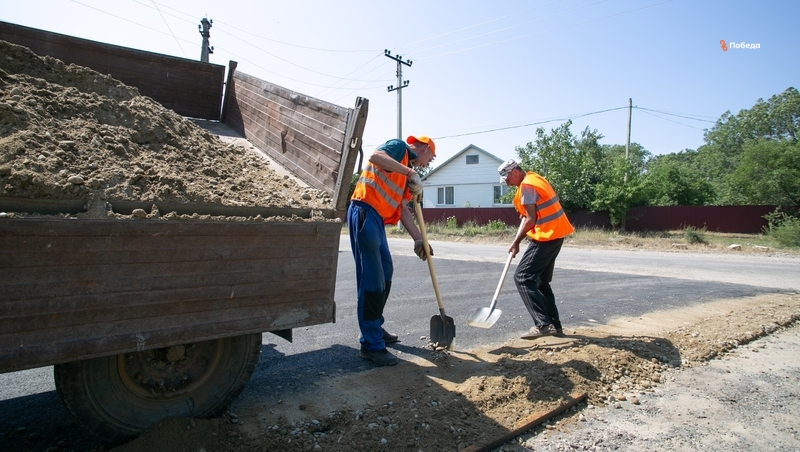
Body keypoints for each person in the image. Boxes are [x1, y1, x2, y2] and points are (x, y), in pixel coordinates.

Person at [348, 135, 436, 365]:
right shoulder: (399, 148)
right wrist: (409, 173)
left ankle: (375, 326)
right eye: (431, 157)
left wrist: (419, 239)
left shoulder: (405, 170)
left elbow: (403, 208)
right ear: (425, 148)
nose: (428, 163)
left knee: (385, 276)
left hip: (375, 220)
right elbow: (376, 157)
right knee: (372, 282)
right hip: (365, 211)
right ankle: (370, 344)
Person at [498, 159, 574, 340]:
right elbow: (527, 217)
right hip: (556, 234)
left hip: (546, 236)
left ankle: (542, 324)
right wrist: (516, 239)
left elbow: (531, 219)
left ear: (515, 172)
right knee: (540, 282)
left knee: (523, 277)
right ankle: (555, 326)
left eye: (507, 178)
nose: (507, 183)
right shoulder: (536, 179)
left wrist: (516, 242)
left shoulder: (527, 186)